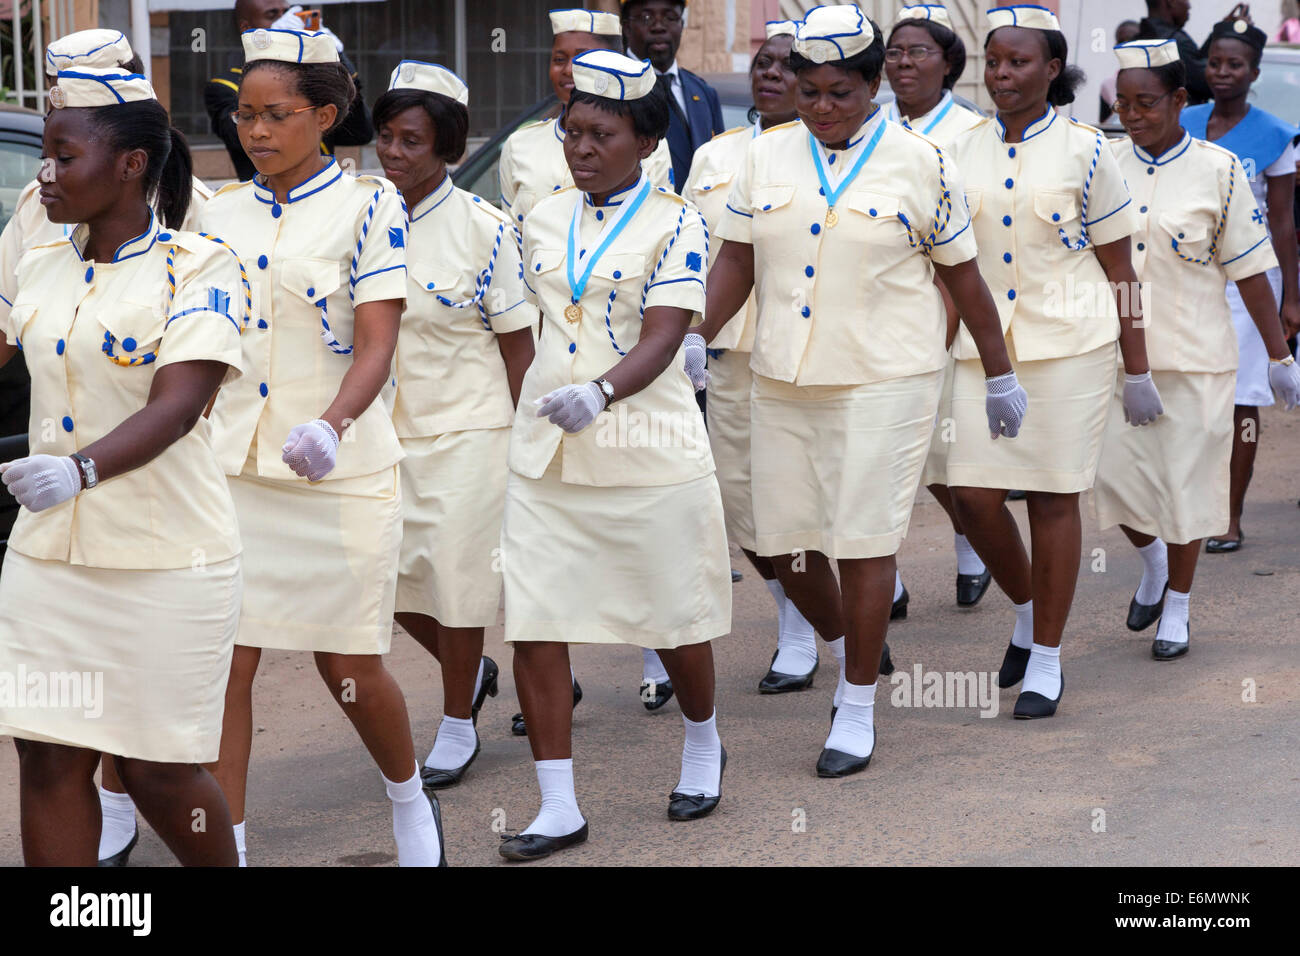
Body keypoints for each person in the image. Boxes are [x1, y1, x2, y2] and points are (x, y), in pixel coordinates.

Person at [699, 4, 1023, 775]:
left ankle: (854, 704)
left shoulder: (923, 162)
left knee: (866, 538)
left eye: (840, 92)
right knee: (785, 540)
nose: (821, 108)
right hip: (784, 373)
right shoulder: (765, 157)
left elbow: (964, 279)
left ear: (874, 84)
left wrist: (999, 370)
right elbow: (737, 262)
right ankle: (854, 645)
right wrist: (689, 334)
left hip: (889, 377)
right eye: (808, 92)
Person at [201, 27, 443, 867]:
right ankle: (225, 847)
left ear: (326, 115)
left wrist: (331, 424)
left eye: (276, 115)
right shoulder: (215, 211)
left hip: (336, 468)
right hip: (234, 469)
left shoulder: (371, 204)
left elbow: (377, 342)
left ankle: (407, 797)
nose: (255, 132)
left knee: (348, 665)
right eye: (244, 115)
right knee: (224, 666)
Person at [0, 63, 245, 866]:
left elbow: (179, 406)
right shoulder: (38, 262)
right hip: (51, 557)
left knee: (154, 768)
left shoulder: (199, 266)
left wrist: (77, 471)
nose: (45, 175)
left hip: (165, 556)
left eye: (64, 157)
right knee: (48, 755)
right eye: (46, 156)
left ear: (131, 164)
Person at [498, 49, 730, 861]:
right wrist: (532, 401)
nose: (581, 148)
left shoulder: (680, 221)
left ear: (645, 139)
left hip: (646, 449)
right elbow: (521, 325)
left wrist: (600, 392)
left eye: (601, 134)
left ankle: (703, 741)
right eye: (572, 133)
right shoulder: (541, 217)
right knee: (533, 623)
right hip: (548, 454)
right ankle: (557, 805)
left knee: (671, 615)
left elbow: (667, 335)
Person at [938, 4, 1158, 719]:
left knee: (1054, 497)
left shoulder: (1088, 149)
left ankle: (1049, 658)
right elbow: (946, 266)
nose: (1002, 74)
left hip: (1072, 344)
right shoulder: (956, 151)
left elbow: (1121, 268)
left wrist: (1138, 368)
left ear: (1052, 68)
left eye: (1019, 61)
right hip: (980, 349)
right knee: (972, 496)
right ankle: (1030, 610)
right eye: (993, 61)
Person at [1095, 38, 1300, 661]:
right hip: (1116, 357)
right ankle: (1153, 563)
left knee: (1187, 490)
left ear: (1180, 100)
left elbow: (1250, 269)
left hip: (1198, 355)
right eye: (1124, 103)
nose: (1132, 115)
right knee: (1111, 480)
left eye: (1146, 102)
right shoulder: (1102, 164)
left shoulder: (1221, 169)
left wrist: (1279, 356)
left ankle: (1177, 607)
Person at [373, 61, 537, 788]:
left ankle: (457, 720)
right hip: (379, 431)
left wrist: (532, 440)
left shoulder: (486, 231)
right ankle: (468, 672)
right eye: (385, 136)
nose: (394, 153)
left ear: (448, 150)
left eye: (412, 140)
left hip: (469, 431)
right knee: (381, 584)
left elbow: (517, 346)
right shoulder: (359, 218)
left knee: (455, 582)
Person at [683, 20, 815, 692]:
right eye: (763, 63)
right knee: (741, 505)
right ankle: (798, 613)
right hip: (730, 351)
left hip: (805, 352)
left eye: (787, 66)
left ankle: (823, 624)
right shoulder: (717, 155)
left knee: (801, 500)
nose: (770, 74)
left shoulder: (828, 152)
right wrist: (687, 333)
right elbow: (692, 252)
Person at [886, 3, 996, 613]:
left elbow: (975, 238)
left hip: (956, 309)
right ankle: (890, 578)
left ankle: (971, 546)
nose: (904, 63)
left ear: (950, 62)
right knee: (903, 453)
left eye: (919, 51)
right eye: (896, 52)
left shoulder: (973, 132)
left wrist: (952, 319)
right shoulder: (872, 128)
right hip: (889, 311)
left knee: (952, 454)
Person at [1181, 17, 1300, 553]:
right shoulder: (1183, 120)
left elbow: (1282, 221)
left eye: (1235, 65)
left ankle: (1229, 514)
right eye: (1215, 63)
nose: (1223, 73)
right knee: (1186, 393)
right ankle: (1185, 506)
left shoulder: (1276, 134)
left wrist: (1290, 298)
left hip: (1250, 281)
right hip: (1187, 274)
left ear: (1253, 71)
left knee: (1242, 399)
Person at [499, 9, 672, 230]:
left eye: (585, 60)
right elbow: (512, 238)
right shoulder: (520, 144)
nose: (570, 70)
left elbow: (655, 224)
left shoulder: (645, 144)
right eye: (559, 59)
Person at [205, 1, 372, 181]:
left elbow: (360, 133)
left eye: (287, 12)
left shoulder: (311, 79)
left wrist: (333, 56)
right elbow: (240, 138)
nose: (286, 19)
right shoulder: (224, 85)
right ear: (246, 27)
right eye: (272, 15)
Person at [621, 0, 725, 191]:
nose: (659, 27)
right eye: (646, 17)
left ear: (682, 25)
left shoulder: (704, 93)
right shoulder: (615, 90)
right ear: (627, 27)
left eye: (670, 17)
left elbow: (721, 165)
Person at [1099, 20, 1142, 123]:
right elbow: (1105, 127)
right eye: (1121, 41)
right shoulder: (1108, 84)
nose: (1126, 46)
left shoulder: (1157, 81)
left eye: (1131, 41)